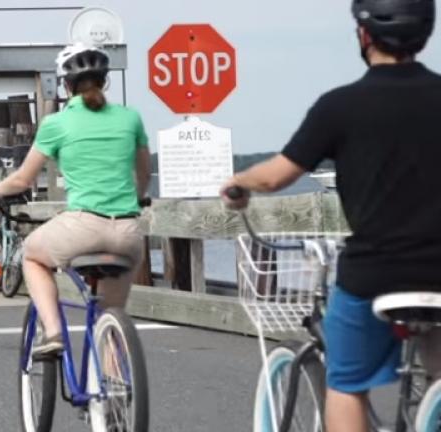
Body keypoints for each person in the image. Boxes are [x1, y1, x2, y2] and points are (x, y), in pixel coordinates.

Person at [221, 1, 439, 431]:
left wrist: (240, 183)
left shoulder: (340, 106)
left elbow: (277, 175)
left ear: (364, 36)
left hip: (374, 275)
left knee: (346, 381)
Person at [0, 43, 151, 357]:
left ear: (65, 85)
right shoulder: (131, 119)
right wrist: (138, 199)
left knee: (31, 255)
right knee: (110, 319)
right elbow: (143, 173)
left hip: (83, 226)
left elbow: (22, 179)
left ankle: (55, 332)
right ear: (105, 80)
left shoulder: (56, 124)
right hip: (128, 232)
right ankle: (114, 399)